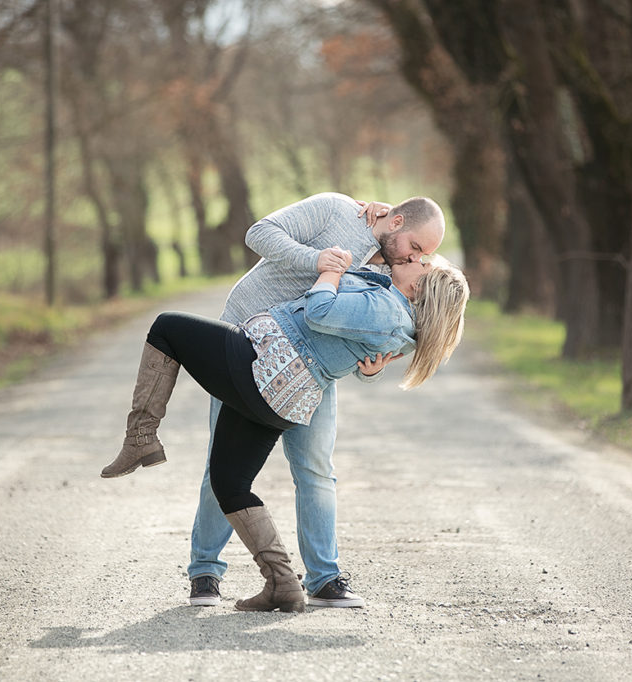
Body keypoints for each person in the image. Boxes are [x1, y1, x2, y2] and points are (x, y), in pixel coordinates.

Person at [100, 255, 470, 612]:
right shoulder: (402, 325)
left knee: (167, 327)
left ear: (420, 286)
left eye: (421, 263)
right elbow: (349, 347)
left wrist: (329, 271)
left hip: (262, 364)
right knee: (229, 484)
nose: (414, 260)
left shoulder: (386, 311)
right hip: (283, 401)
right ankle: (282, 583)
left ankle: (141, 437)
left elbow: (320, 311)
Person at [182, 193, 446, 609]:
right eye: (415, 247)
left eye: (424, 255)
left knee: (316, 469)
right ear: (395, 222)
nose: (415, 258)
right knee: (223, 462)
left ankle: (323, 579)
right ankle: (205, 573)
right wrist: (317, 260)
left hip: (309, 371)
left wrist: (368, 369)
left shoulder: (386, 268)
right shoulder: (336, 209)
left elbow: (357, 331)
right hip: (247, 343)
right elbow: (259, 232)